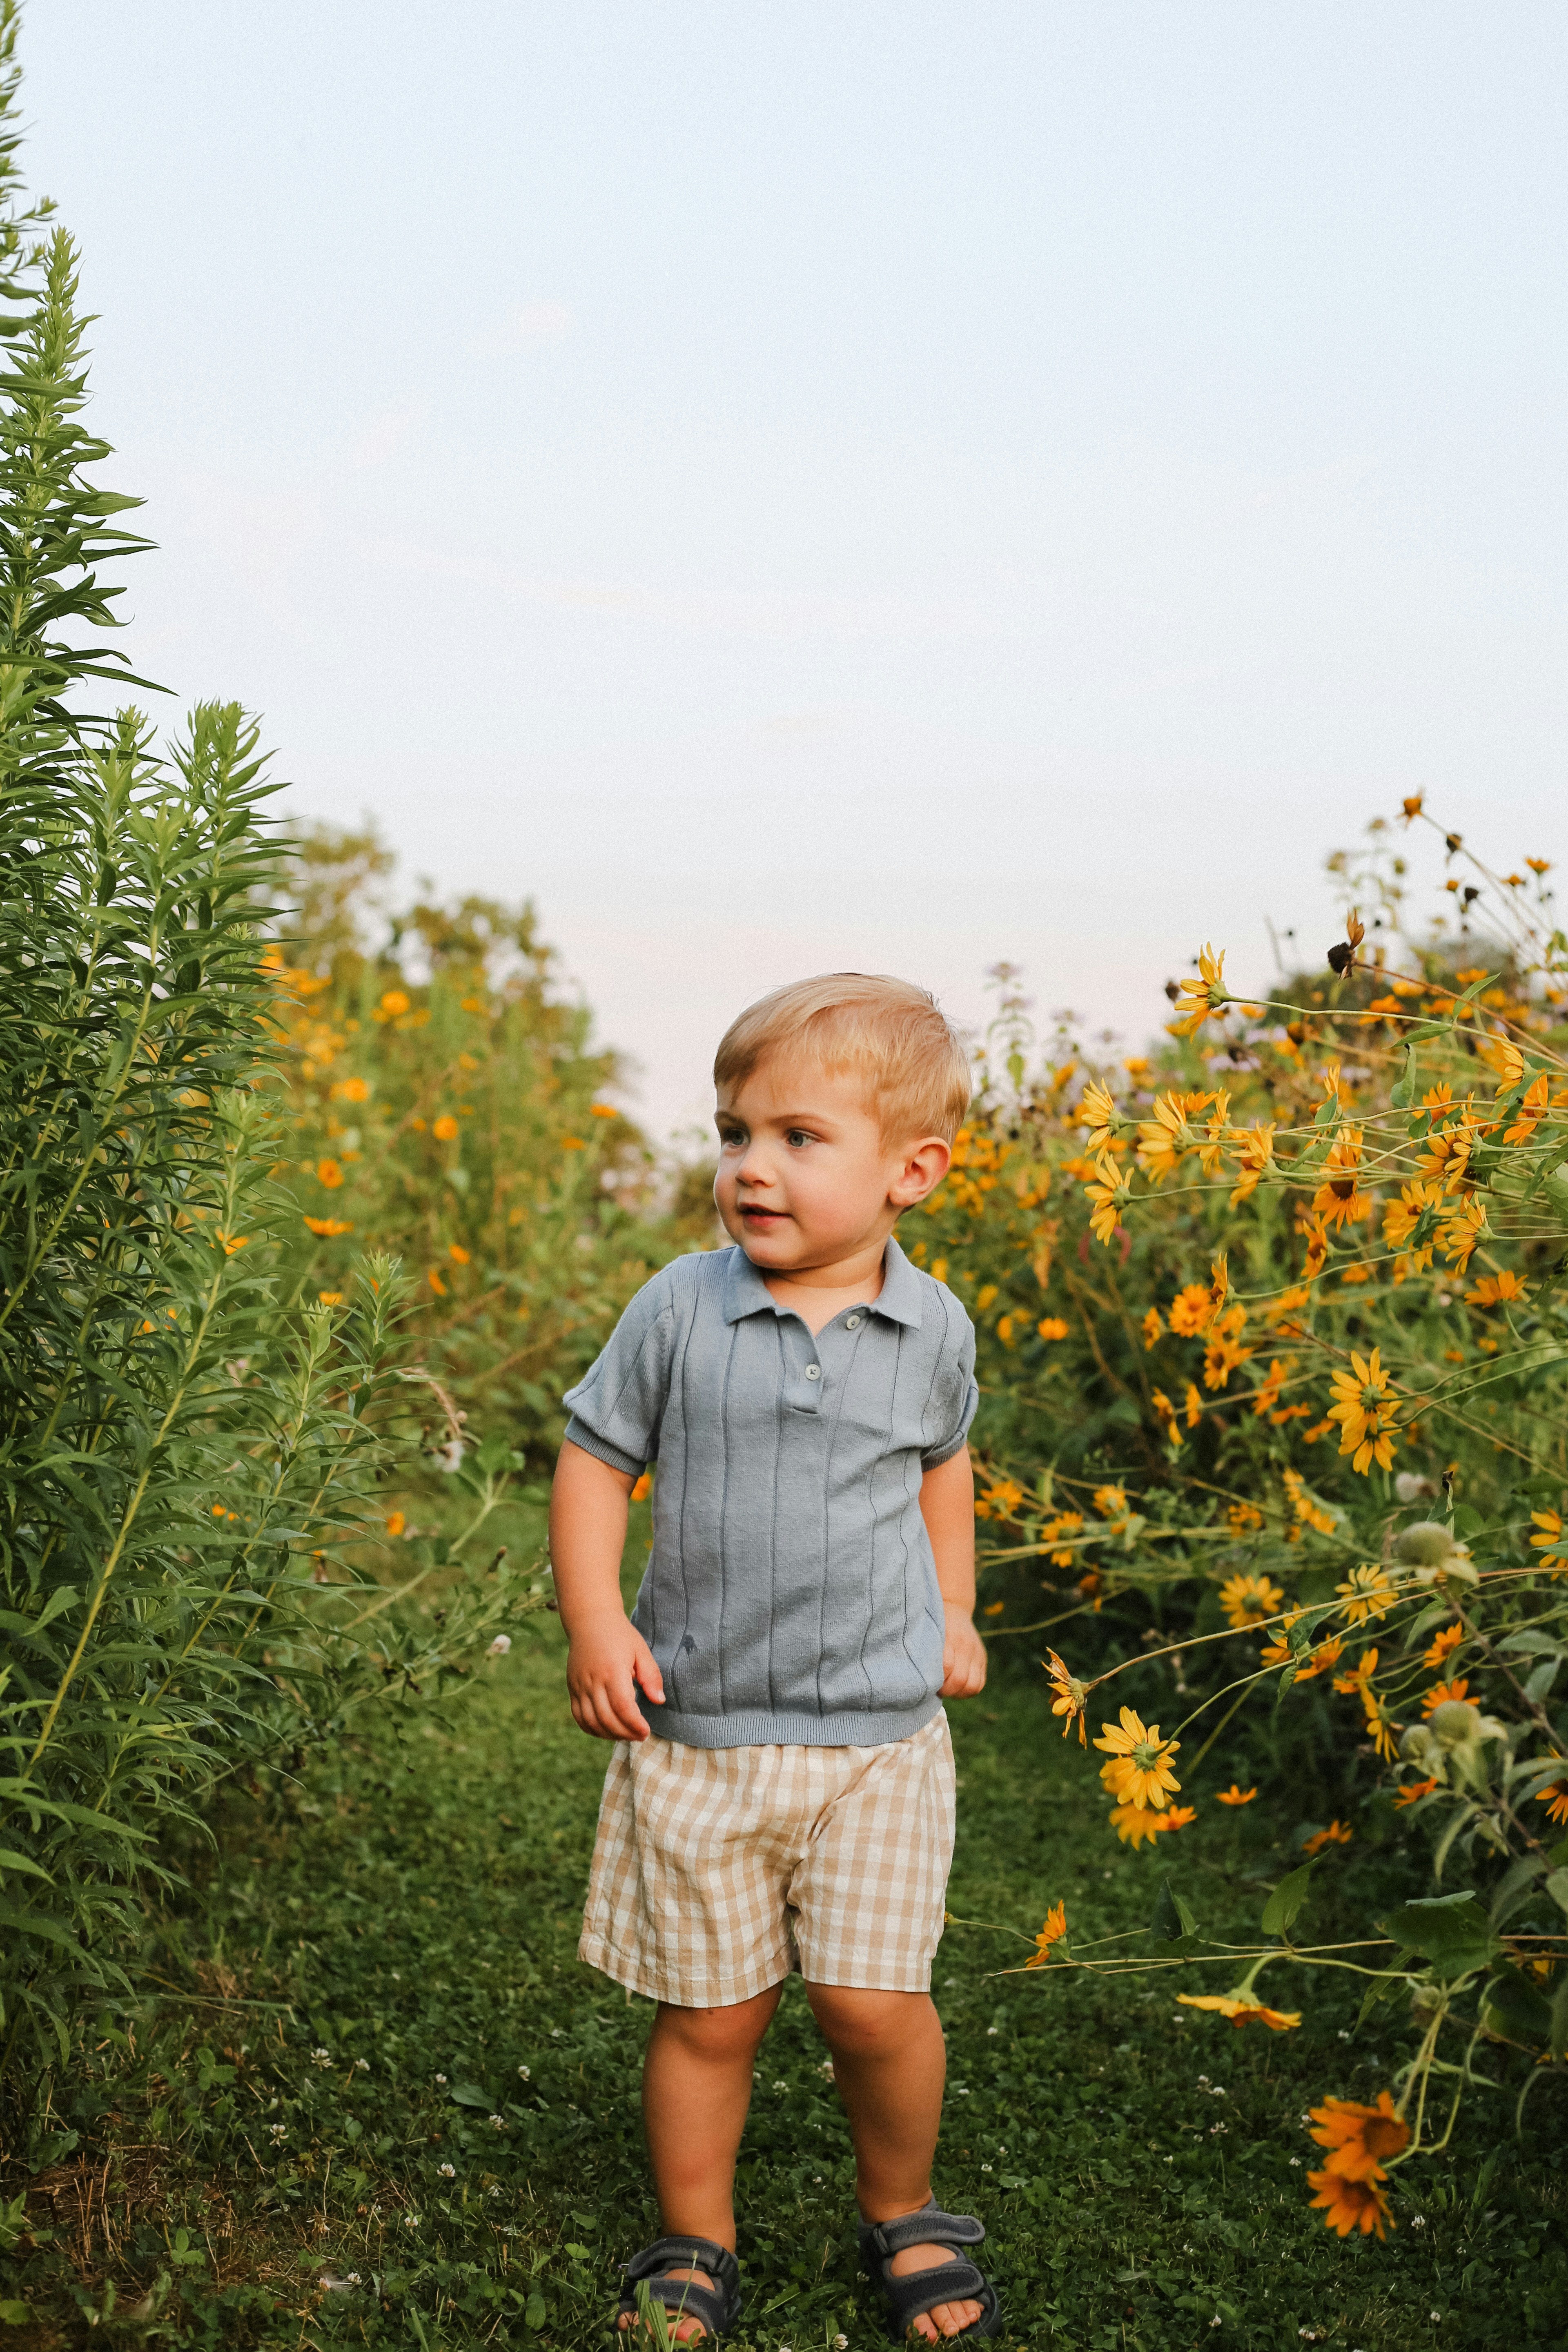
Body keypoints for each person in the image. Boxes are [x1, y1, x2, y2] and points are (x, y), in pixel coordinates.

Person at [550, 973, 1000, 2345]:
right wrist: (596, 1620)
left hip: (875, 1741)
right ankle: (696, 2240)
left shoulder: (933, 1330)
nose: (753, 1166)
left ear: (911, 1170)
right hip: (702, 1734)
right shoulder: (681, 1310)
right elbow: (592, 1462)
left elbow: (943, 1470)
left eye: (800, 1137)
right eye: (737, 1131)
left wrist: (957, 1609)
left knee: (874, 2005)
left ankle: (905, 2210)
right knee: (713, 2015)